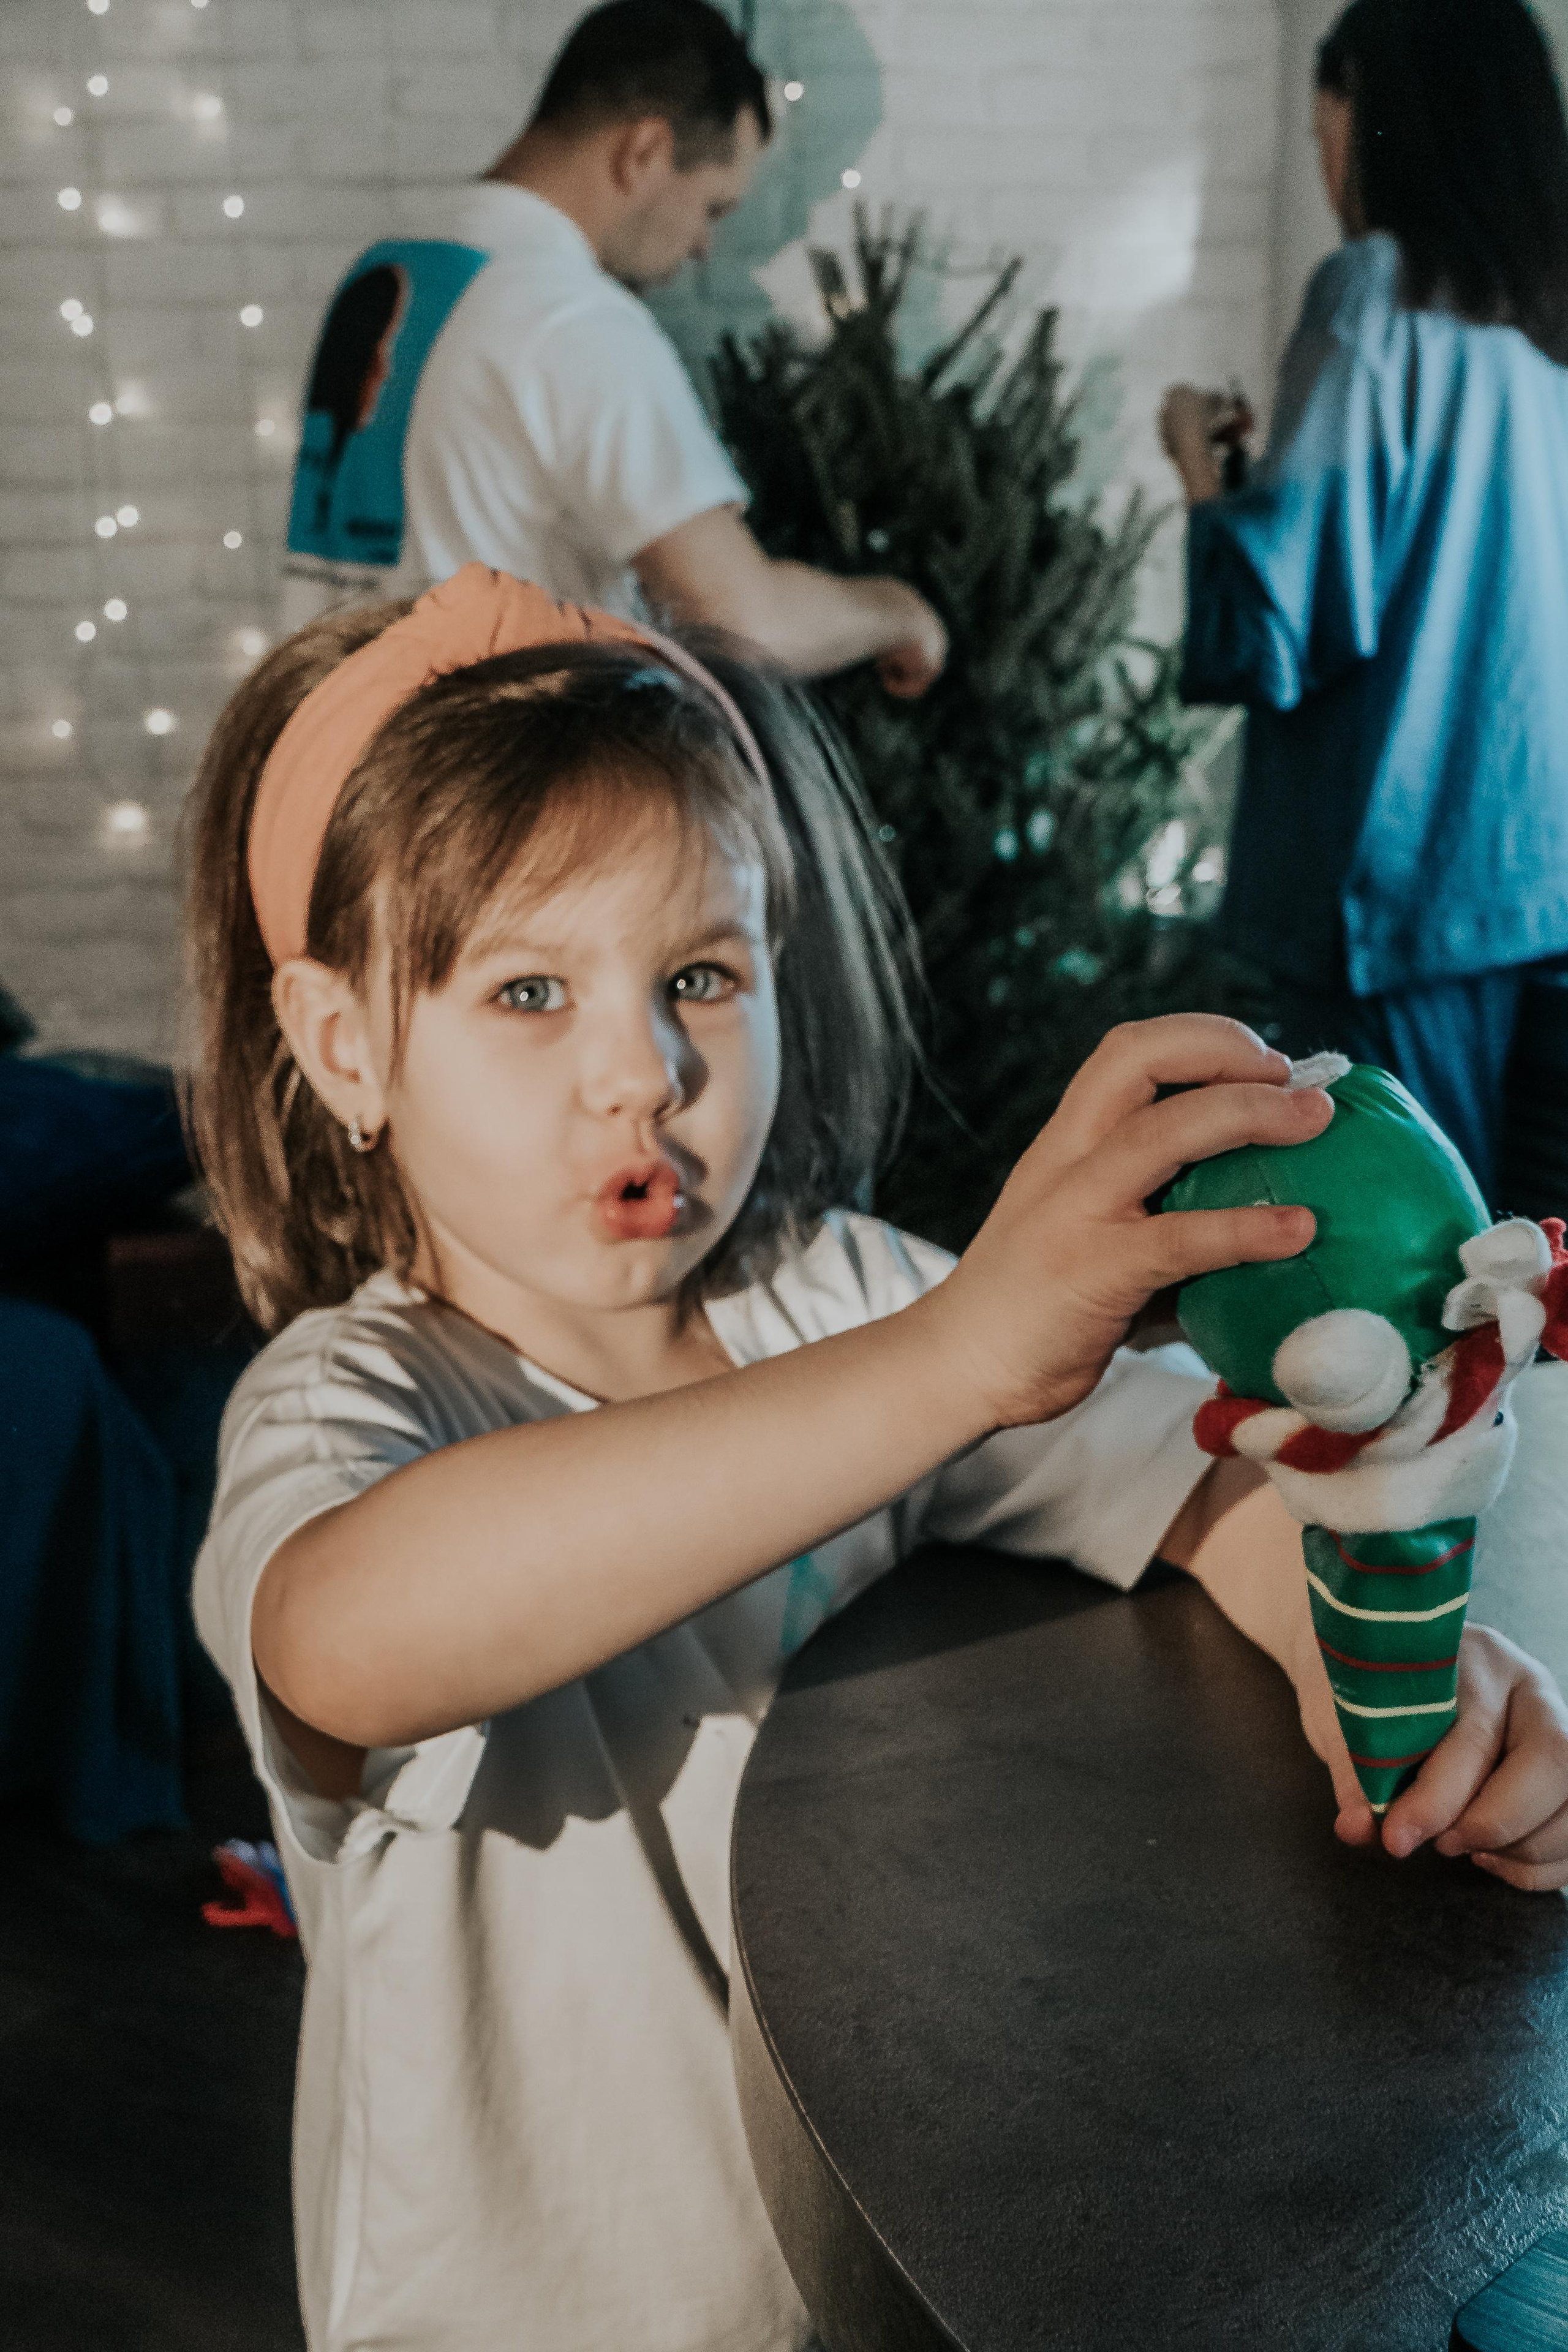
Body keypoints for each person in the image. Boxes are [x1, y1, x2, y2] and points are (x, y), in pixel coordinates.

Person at [184, 565, 1568, 2352]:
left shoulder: (831, 1290)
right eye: (529, 992)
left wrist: (1376, 1668)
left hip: (865, 2274)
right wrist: (948, 1359)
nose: (644, 1070)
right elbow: (346, 1631)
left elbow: (1195, 1470)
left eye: (699, 972)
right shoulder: (348, 1395)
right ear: (343, 1044)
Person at [1160, 0, 1568, 1208]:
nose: (1321, 161)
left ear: (1375, 120)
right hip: (1534, 869)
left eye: (1321, 125)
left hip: (1397, 872)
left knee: (1408, 1258)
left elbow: (1279, 614)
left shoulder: (1368, 292)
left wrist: (1196, 469)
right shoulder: (1542, 321)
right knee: (1526, 1270)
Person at [282, 0, 946, 698]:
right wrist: (898, 611)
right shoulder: (570, 316)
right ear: (643, 153)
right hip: (478, 785)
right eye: (713, 207)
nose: (702, 247)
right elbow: (744, 622)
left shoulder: (395, 267)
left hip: (334, 759)